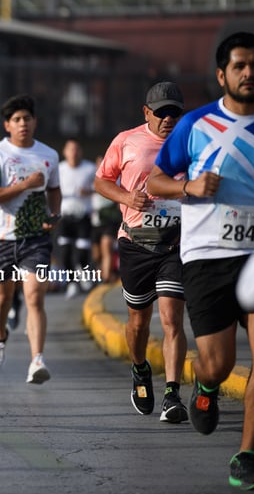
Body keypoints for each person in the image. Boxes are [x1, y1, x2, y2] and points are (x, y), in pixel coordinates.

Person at [147, 31, 254, 490]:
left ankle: (246, 455)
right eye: (239, 66)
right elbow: (156, 181)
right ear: (222, 74)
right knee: (217, 362)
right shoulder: (194, 126)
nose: (249, 73)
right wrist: (188, 187)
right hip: (207, 256)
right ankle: (208, 385)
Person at [94, 81, 189, 424]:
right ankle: (139, 368)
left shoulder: (191, 139)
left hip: (176, 244)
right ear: (146, 112)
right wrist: (126, 197)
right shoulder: (126, 140)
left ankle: (173, 395)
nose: (168, 119)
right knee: (138, 323)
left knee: (172, 320)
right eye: (161, 112)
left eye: (175, 112)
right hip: (135, 242)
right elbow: (101, 180)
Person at [0, 94, 61, 385]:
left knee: (35, 296)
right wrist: (25, 185)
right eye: (16, 119)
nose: (23, 123)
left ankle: (37, 360)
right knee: (2, 296)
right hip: (3, 237)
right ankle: (1, 336)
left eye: (27, 118)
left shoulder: (49, 155)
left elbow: (54, 190)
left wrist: (55, 213)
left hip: (36, 238)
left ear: (35, 121)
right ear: (7, 125)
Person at [56, 139, 97, 298]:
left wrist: (90, 191)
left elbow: (101, 187)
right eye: (70, 149)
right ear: (64, 152)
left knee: (81, 252)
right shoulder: (59, 169)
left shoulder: (90, 168)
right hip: (64, 217)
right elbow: (50, 191)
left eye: (77, 149)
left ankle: (84, 273)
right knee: (65, 252)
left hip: (83, 217)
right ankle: (72, 283)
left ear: (81, 151)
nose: (73, 153)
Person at [90, 155, 122, 284]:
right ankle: (103, 272)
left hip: (110, 220)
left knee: (106, 246)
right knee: (96, 254)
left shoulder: (117, 179)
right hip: (94, 221)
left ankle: (106, 278)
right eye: (100, 163)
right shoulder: (90, 179)